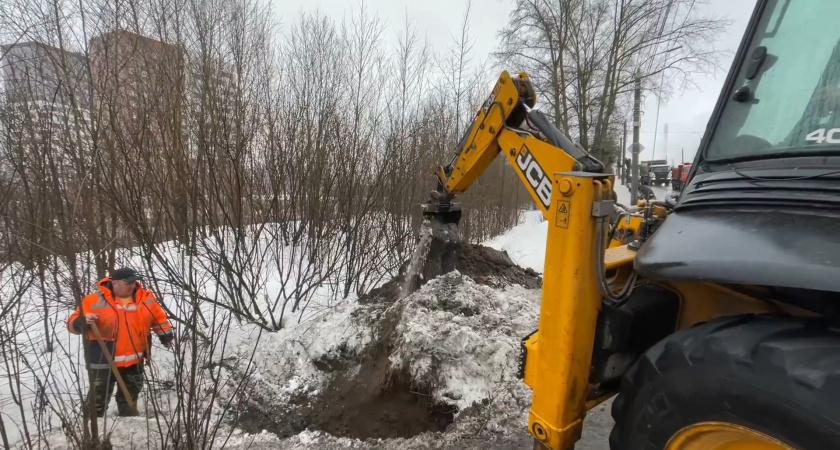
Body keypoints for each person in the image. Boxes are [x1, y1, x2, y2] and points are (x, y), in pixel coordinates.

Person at [67, 267, 174, 417]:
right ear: (115, 283)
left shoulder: (145, 297)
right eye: (128, 282)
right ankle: (91, 426)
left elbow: (158, 318)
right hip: (103, 358)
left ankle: (130, 424)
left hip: (135, 359)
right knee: (98, 396)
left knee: (131, 395)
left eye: (134, 281)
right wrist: (81, 321)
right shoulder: (93, 300)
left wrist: (166, 335)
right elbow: (72, 323)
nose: (132, 285)